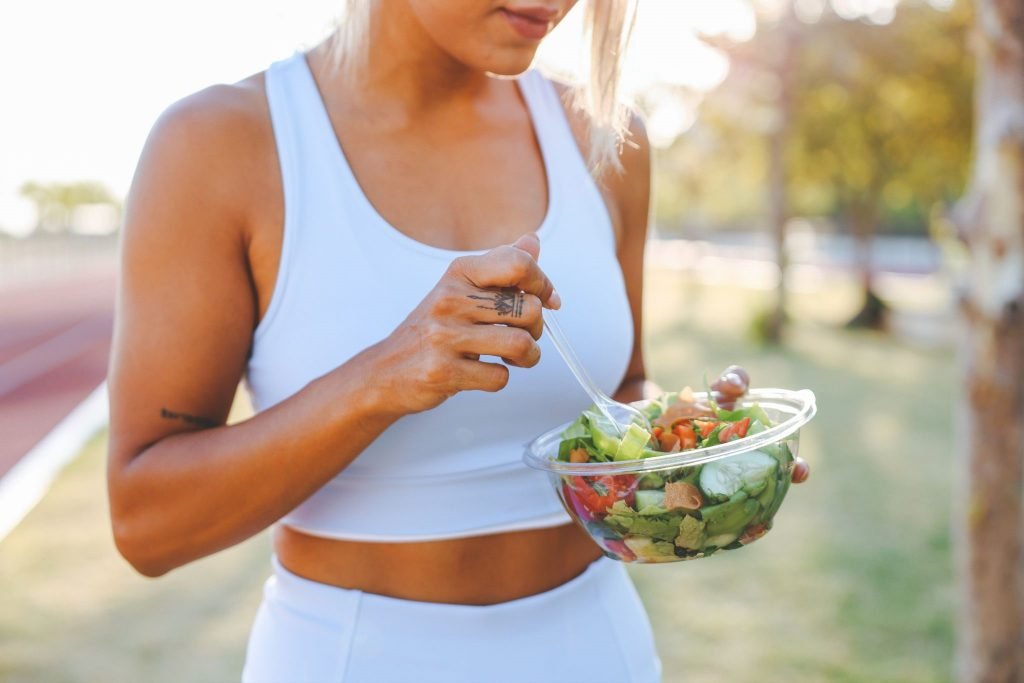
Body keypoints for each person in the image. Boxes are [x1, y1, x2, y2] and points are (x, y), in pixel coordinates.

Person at [106, 1, 809, 681]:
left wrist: (689, 451)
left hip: (598, 647)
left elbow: (623, 391)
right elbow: (148, 524)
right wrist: (379, 379)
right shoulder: (221, 144)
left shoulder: (603, 133)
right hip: (349, 657)